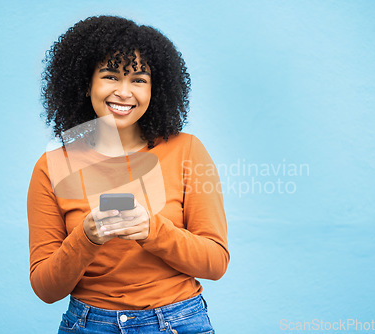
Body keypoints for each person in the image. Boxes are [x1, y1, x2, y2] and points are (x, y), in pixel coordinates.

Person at [27, 15, 229, 334]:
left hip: (177, 322)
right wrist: (86, 237)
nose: (124, 92)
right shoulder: (52, 165)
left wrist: (151, 229)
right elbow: (45, 288)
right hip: (88, 324)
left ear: (155, 89)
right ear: (85, 83)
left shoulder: (187, 150)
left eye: (138, 79)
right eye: (110, 76)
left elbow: (215, 263)